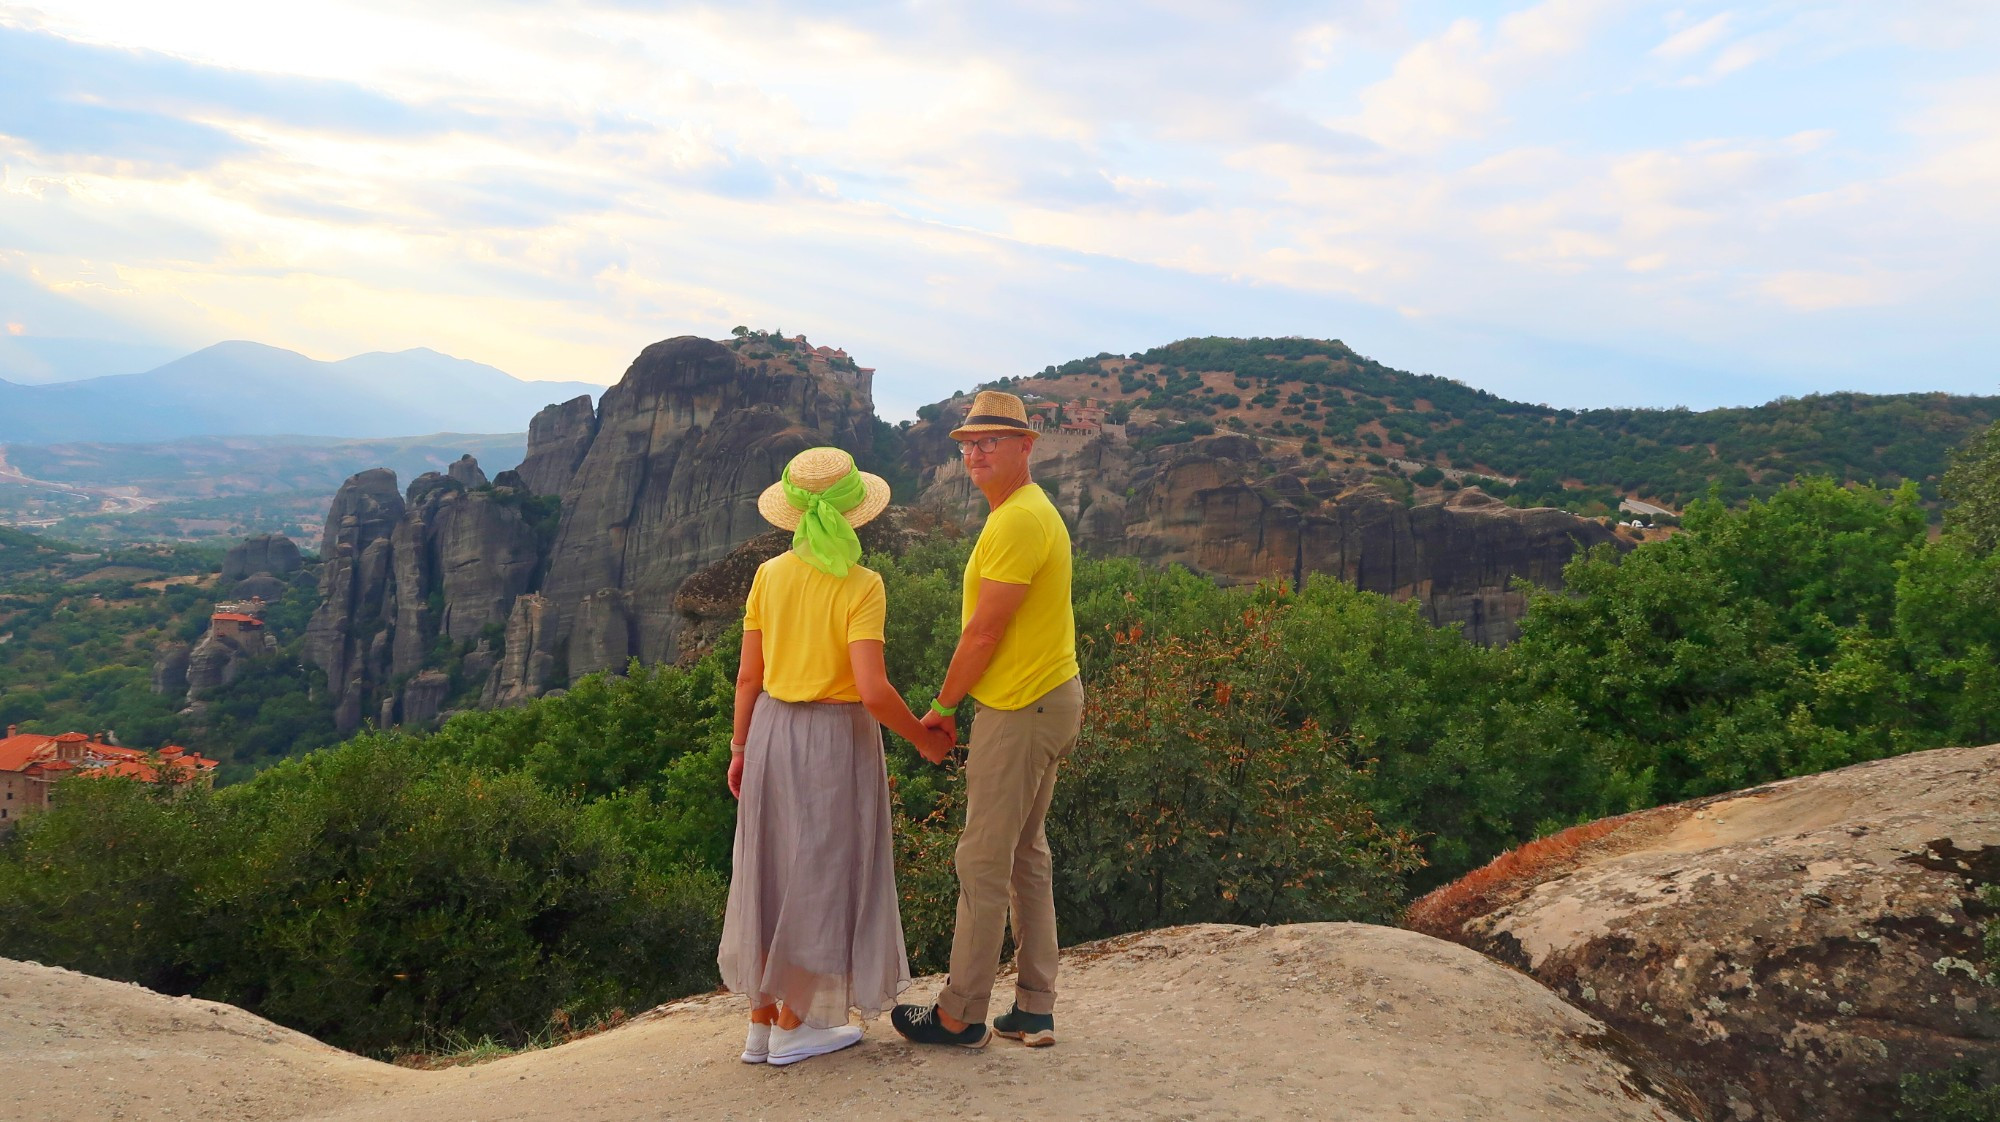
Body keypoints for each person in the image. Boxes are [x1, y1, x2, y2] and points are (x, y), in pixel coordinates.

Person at [717, 446, 952, 1067]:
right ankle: (798, 1024)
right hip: (833, 737)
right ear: (856, 514)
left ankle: (760, 1026)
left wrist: (740, 749)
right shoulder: (862, 584)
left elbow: (748, 677)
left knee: (770, 867)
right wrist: (925, 738)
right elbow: (871, 690)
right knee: (819, 871)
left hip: (770, 729)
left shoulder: (769, 575)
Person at [892, 389, 1083, 1051]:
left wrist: (942, 709)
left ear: (1026, 446)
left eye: (990, 442)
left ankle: (960, 1014)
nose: (975, 452)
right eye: (969, 443)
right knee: (1025, 855)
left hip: (1021, 707)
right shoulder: (1023, 511)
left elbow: (982, 634)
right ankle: (1033, 1008)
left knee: (982, 859)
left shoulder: (1017, 521)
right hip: (1046, 696)